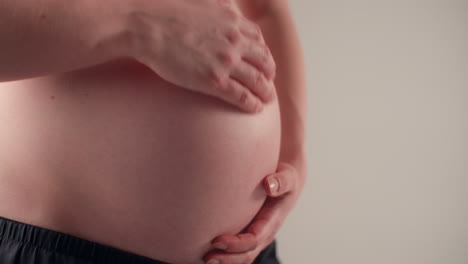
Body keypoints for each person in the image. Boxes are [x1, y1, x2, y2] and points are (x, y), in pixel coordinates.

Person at [0, 0, 307, 263]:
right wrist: (135, 26)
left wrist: (292, 156)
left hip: (246, 251)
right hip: (57, 247)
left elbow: (265, 8)